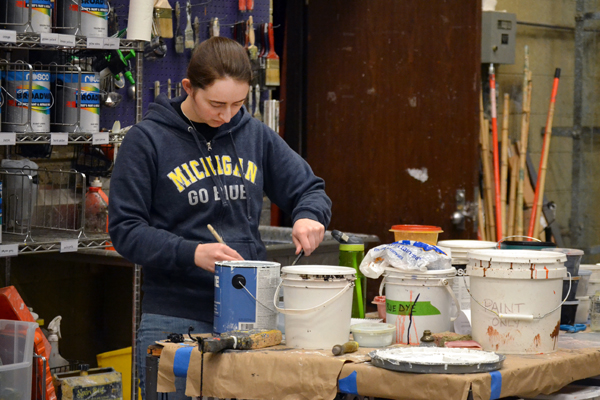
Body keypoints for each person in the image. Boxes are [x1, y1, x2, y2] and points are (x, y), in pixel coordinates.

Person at [108, 36, 332, 399]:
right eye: (216, 104)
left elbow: (310, 189)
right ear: (188, 88)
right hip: (176, 314)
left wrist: (308, 216)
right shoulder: (146, 141)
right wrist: (191, 253)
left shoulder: (255, 134)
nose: (227, 115)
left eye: (238, 104)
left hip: (251, 315)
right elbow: (126, 230)